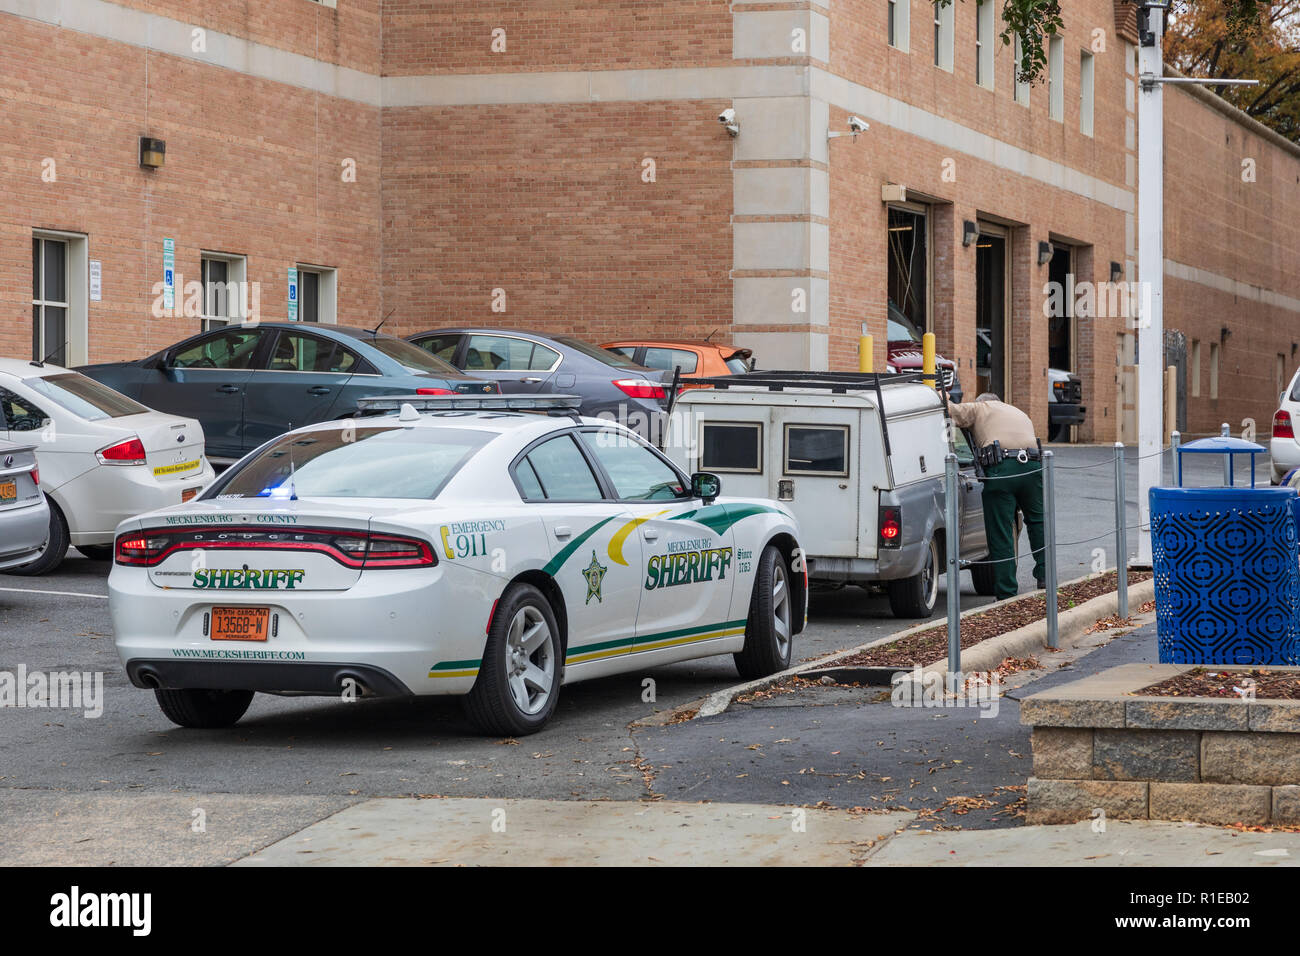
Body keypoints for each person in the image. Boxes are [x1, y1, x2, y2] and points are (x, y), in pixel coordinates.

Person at [945, 391, 1045, 600]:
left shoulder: (980, 408)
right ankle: (1045, 576)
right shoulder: (1019, 412)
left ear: (983, 402)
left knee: (1000, 530)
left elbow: (951, 411)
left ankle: (1006, 590)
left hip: (1002, 469)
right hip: (1033, 466)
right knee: (1037, 522)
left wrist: (941, 395)